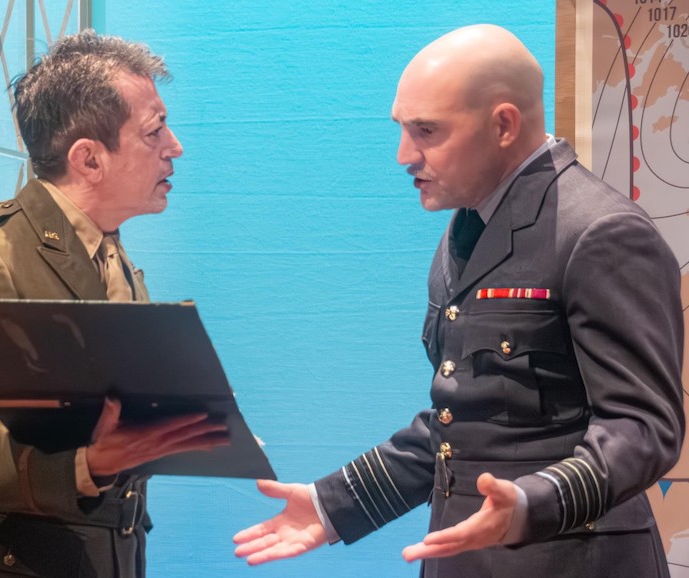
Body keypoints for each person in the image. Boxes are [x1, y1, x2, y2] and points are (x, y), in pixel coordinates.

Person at [233, 24, 684, 577]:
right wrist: (335, 505)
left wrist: (531, 504)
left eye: (426, 131)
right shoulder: (467, 226)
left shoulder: (601, 232)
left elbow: (643, 427)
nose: (404, 155)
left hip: (570, 562)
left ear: (503, 125)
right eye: (402, 129)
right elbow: (465, 421)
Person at [0, 30, 229, 578]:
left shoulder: (115, 259)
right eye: (154, 130)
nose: (175, 146)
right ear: (89, 159)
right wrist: (84, 465)